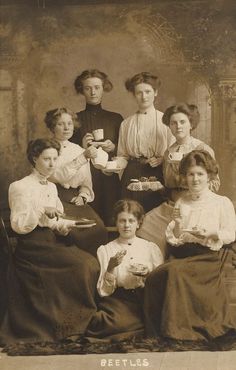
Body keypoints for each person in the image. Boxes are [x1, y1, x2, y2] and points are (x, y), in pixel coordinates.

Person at [0, 139, 100, 344]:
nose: (52, 164)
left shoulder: (52, 187)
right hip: (31, 248)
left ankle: (79, 323)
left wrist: (66, 226)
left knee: (89, 262)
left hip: (50, 241)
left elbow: (54, 223)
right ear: (34, 158)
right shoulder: (19, 186)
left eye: (55, 159)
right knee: (81, 265)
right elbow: (19, 224)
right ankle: (67, 326)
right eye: (47, 159)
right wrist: (40, 210)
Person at [144, 150, 236, 341]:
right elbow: (174, 238)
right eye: (191, 174)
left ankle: (177, 331)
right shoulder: (181, 202)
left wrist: (212, 234)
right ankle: (156, 330)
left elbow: (230, 234)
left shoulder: (221, 203)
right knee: (155, 276)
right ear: (184, 177)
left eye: (200, 174)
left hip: (207, 258)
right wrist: (178, 225)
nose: (195, 179)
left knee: (175, 272)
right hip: (182, 255)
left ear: (209, 176)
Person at [137, 103, 220, 258]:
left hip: (195, 206)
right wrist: (158, 186)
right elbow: (169, 184)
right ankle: (157, 268)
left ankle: (174, 265)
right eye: (173, 123)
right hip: (171, 205)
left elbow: (214, 183)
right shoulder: (168, 152)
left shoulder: (202, 149)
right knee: (146, 224)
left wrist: (194, 193)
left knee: (178, 237)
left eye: (182, 122)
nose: (178, 126)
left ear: (191, 124)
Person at [86, 199, 163, 340]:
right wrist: (111, 267)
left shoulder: (150, 248)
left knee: (156, 318)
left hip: (145, 298)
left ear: (139, 223)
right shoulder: (106, 250)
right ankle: (135, 325)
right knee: (107, 323)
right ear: (116, 222)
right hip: (119, 299)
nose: (126, 225)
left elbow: (160, 284)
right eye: (122, 221)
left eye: (131, 221)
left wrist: (147, 274)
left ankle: (137, 325)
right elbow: (103, 291)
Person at [45, 107, 108, 256]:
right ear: (52, 127)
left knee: (98, 228)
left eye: (69, 123)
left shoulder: (79, 149)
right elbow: (58, 176)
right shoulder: (46, 148)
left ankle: (95, 269)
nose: (66, 127)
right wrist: (82, 158)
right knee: (74, 232)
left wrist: (83, 196)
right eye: (61, 124)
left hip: (76, 199)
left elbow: (86, 184)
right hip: (54, 198)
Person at [72, 69, 123, 225]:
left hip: (109, 178)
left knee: (111, 219)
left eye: (97, 87)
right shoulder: (75, 119)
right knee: (88, 222)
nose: (93, 92)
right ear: (82, 91)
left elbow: (125, 152)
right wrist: (81, 147)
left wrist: (113, 147)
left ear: (103, 88)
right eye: (88, 88)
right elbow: (68, 154)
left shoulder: (116, 118)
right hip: (86, 180)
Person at [117, 72, 174, 212]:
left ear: (155, 92)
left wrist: (162, 159)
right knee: (130, 213)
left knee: (154, 213)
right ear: (134, 95)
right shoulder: (126, 123)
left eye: (148, 91)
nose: (144, 96)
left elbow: (173, 151)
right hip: (131, 173)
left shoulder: (166, 121)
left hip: (157, 172)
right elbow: (122, 155)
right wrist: (110, 166)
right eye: (139, 93)